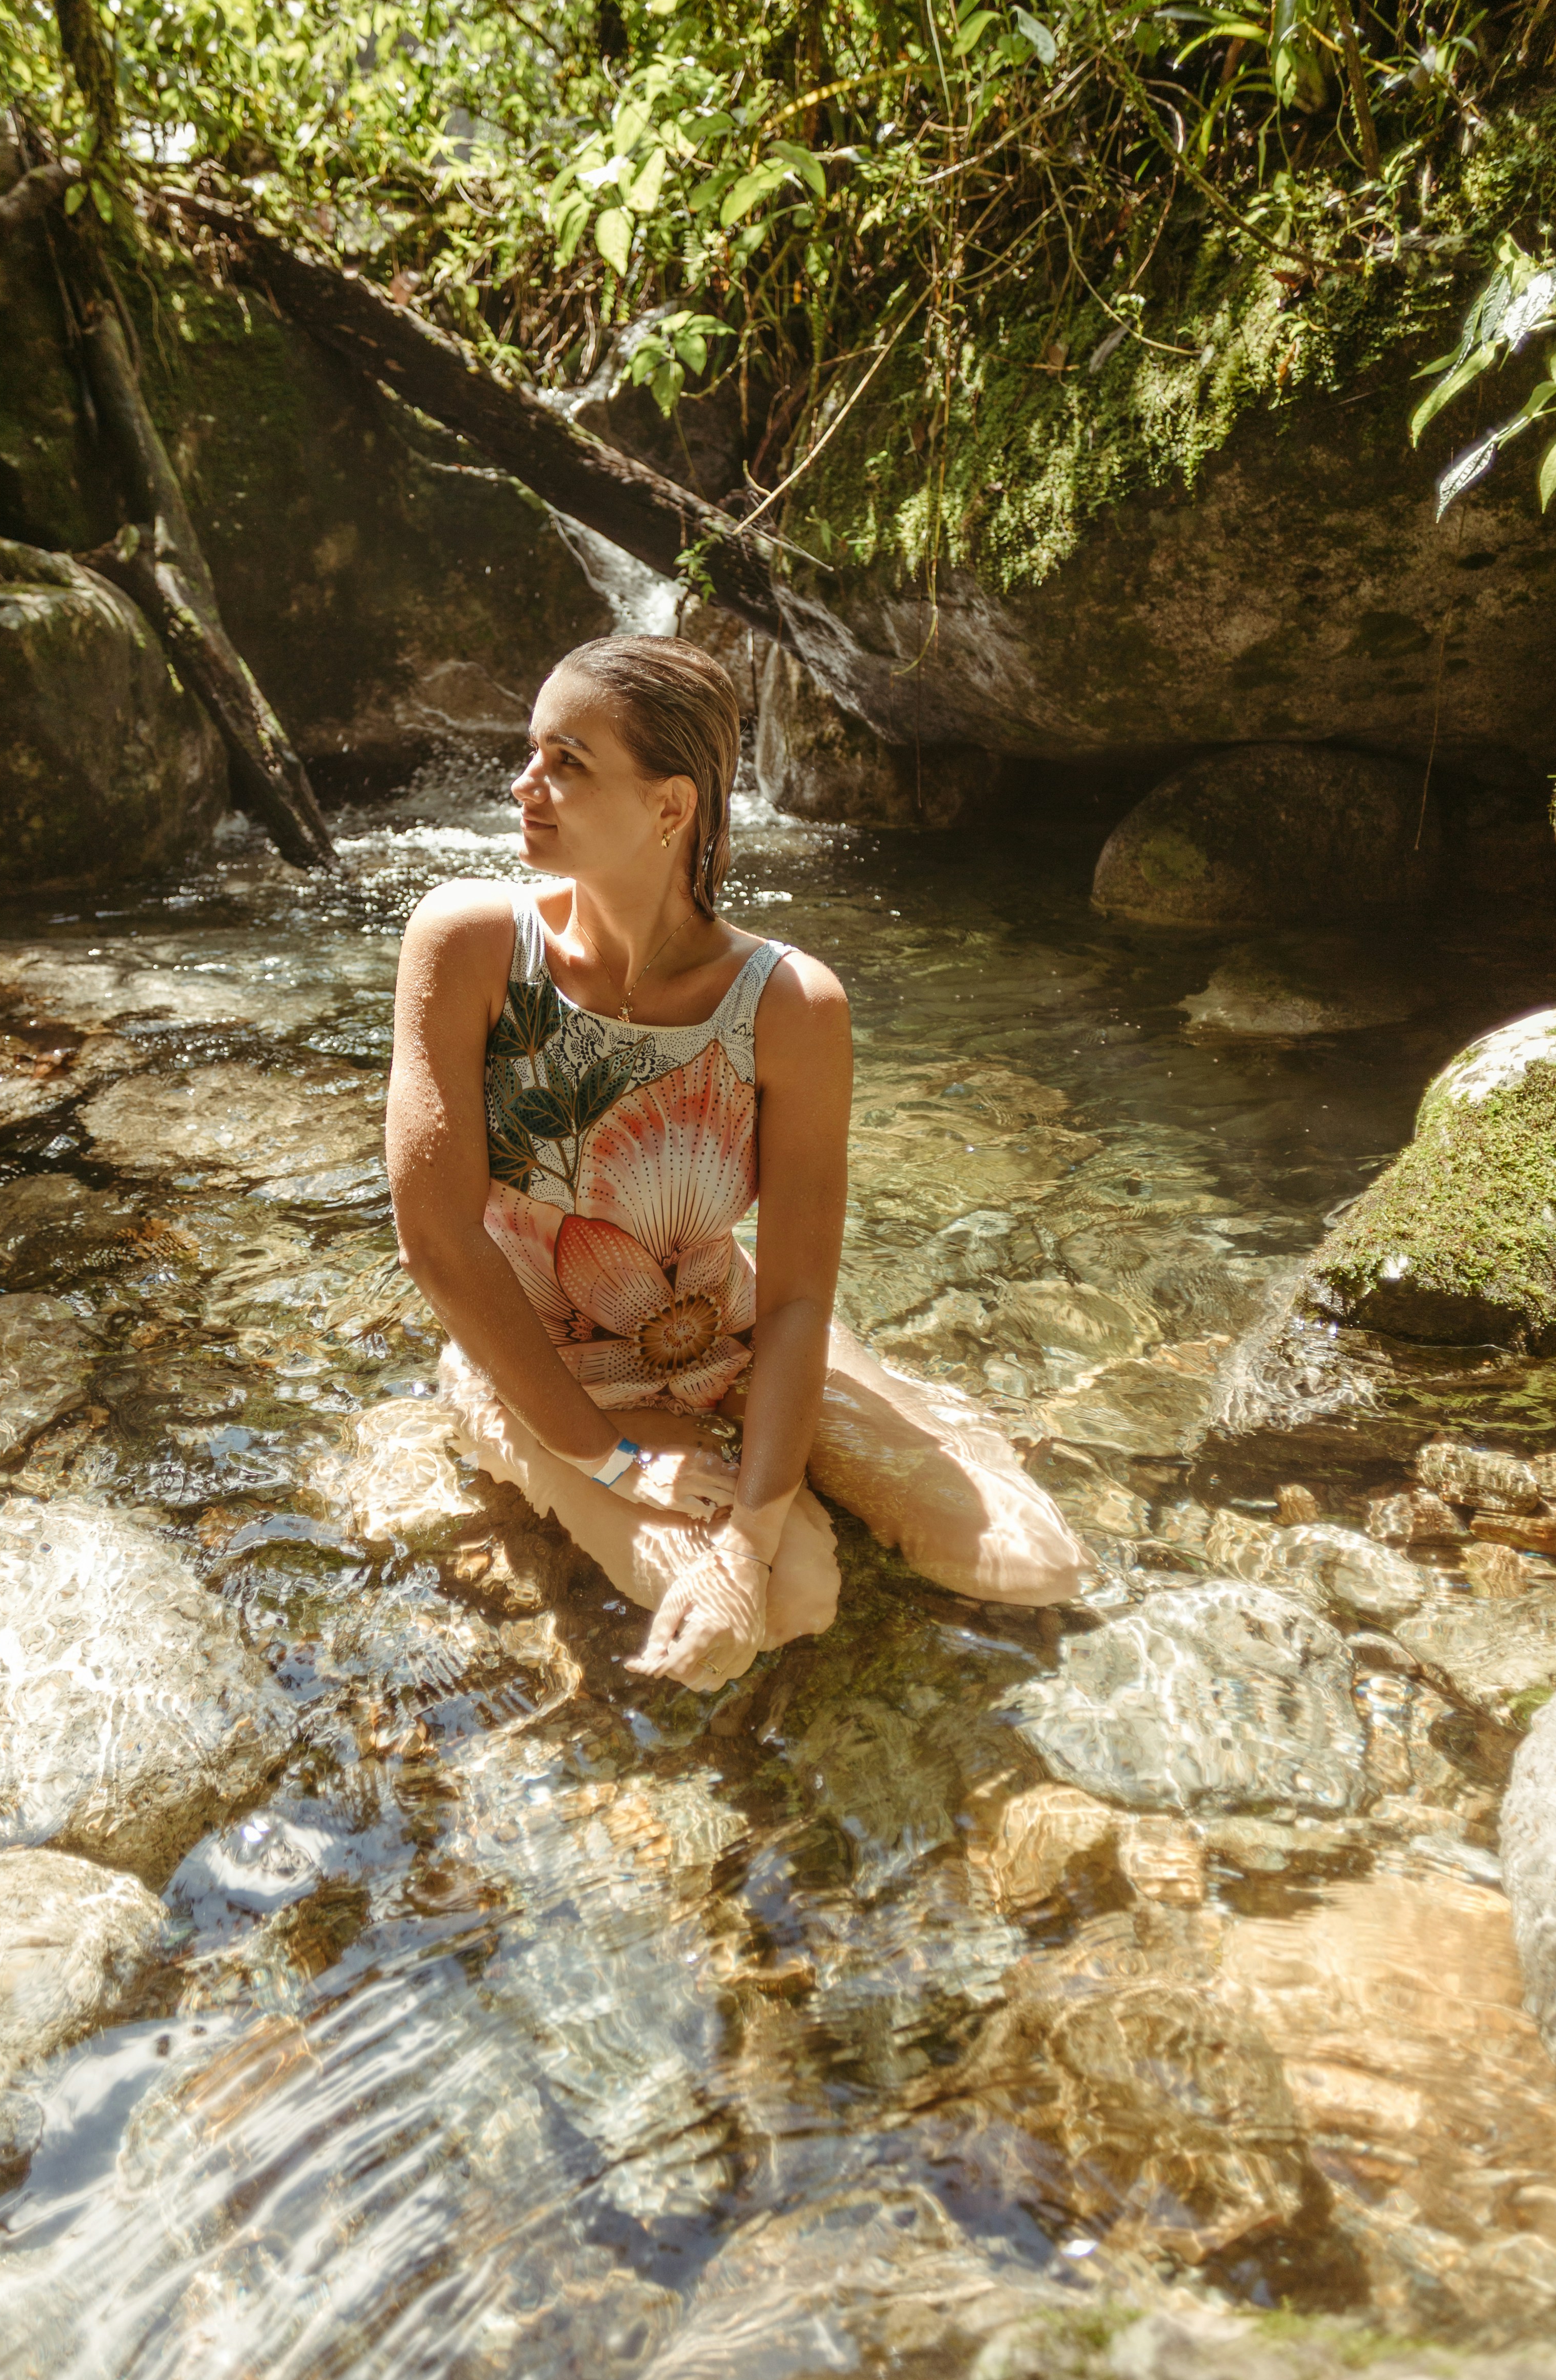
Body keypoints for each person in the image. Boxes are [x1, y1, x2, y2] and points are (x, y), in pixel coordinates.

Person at [385, 633, 1087, 1693]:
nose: (526, 785)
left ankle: (892, 1413)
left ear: (671, 808)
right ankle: (549, 1462)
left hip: (735, 1328)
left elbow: (801, 1292)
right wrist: (611, 1459)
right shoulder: (469, 943)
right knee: (794, 1605)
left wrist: (749, 1532)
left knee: (1034, 1569)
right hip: (547, 1362)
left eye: (568, 762)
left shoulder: (792, 1004)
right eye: (533, 752)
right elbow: (435, 1239)